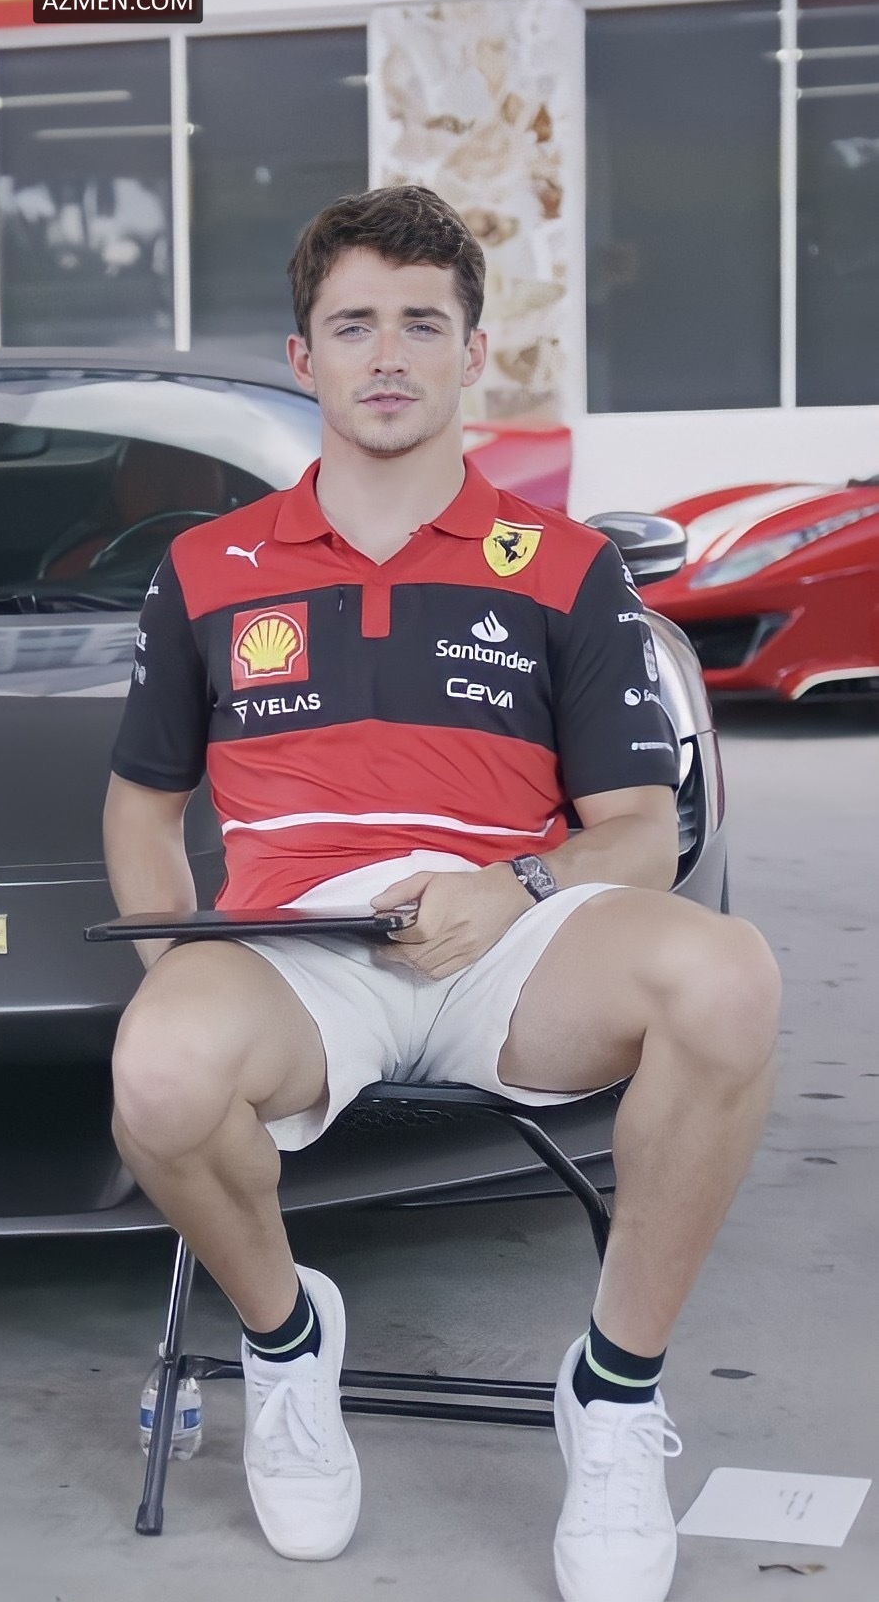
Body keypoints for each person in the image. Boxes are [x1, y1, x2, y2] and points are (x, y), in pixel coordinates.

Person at [104, 184, 780, 1602]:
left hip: (517, 948)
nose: (389, 354)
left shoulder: (569, 569)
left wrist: (513, 883)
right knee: (158, 1072)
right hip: (296, 954)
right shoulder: (206, 569)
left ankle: (613, 1394)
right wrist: (190, 990)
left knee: (729, 977)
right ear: (306, 358)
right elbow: (144, 810)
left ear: (473, 353)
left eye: (423, 323)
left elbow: (639, 833)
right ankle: (288, 1343)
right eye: (355, 325)